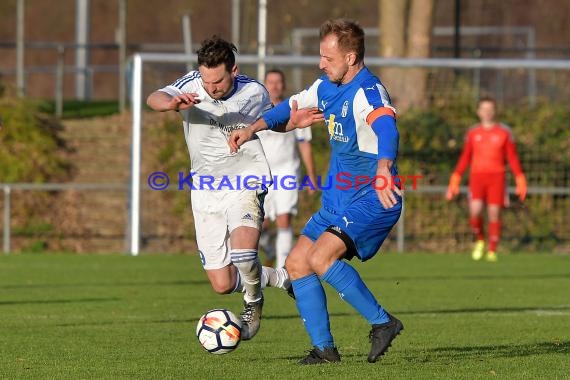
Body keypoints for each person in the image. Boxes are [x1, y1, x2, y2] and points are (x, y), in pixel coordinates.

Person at [229, 19, 404, 364]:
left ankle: (383, 322)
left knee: (320, 259)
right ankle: (324, 349)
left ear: (351, 57)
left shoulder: (368, 91)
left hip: (373, 196)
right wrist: (254, 128)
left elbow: (387, 128)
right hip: (338, 197)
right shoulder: (326, 86)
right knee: (296, 264)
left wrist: (384, 167)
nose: (321, 64)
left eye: (328, 57)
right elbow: (289, 109)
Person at [146, 36, 292, 340]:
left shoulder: (254, 91)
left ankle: (253, 301)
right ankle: (280, 278)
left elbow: (276, 120)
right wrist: (171, 103)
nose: (211, 88)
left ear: (233, 70)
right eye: (206, 80)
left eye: (218, 81)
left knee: (243, 253)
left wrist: (298, 120)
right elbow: (154, 97)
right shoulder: (192, 84)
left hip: (246, 177)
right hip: (204, 187)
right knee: (223, 283)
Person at [446, 96, 527, 262]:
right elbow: (465, 157)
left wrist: (520, 177)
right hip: (477, 177)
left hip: (497, 177)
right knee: (475, 211)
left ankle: (492, 250)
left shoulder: (504, 132)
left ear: (495, 111)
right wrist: (456, 178)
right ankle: (480, 240)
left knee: (494, 213)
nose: (487, 112)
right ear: (478, 112)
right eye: (484, 109)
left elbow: (512, 157)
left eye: (490, 109)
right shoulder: (473, 132)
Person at [256, 69, 317, 269]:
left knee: (284, 219)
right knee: (257, 222)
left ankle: (283, 268)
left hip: (287, 172)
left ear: (283, 85)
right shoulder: (255, 109)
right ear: (265, 84)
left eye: (278, 82)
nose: (274, 85)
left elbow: (304, 144)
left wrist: (311, 177)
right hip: (261, 173)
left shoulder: (295, 108)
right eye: (270, 82)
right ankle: (268, 250)